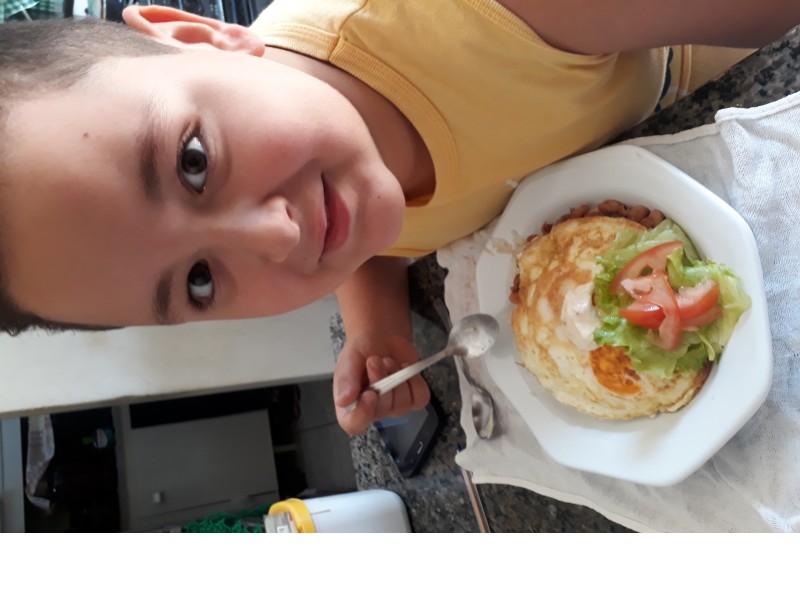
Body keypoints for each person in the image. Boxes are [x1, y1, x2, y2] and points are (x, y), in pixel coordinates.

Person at [0, 1, 797, 437]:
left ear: (199, 36)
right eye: (200, 281)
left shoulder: (479, 15)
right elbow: (387, 234)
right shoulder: (329, 179)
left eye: (194, 163)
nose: (276, 236)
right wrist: (376, 325)